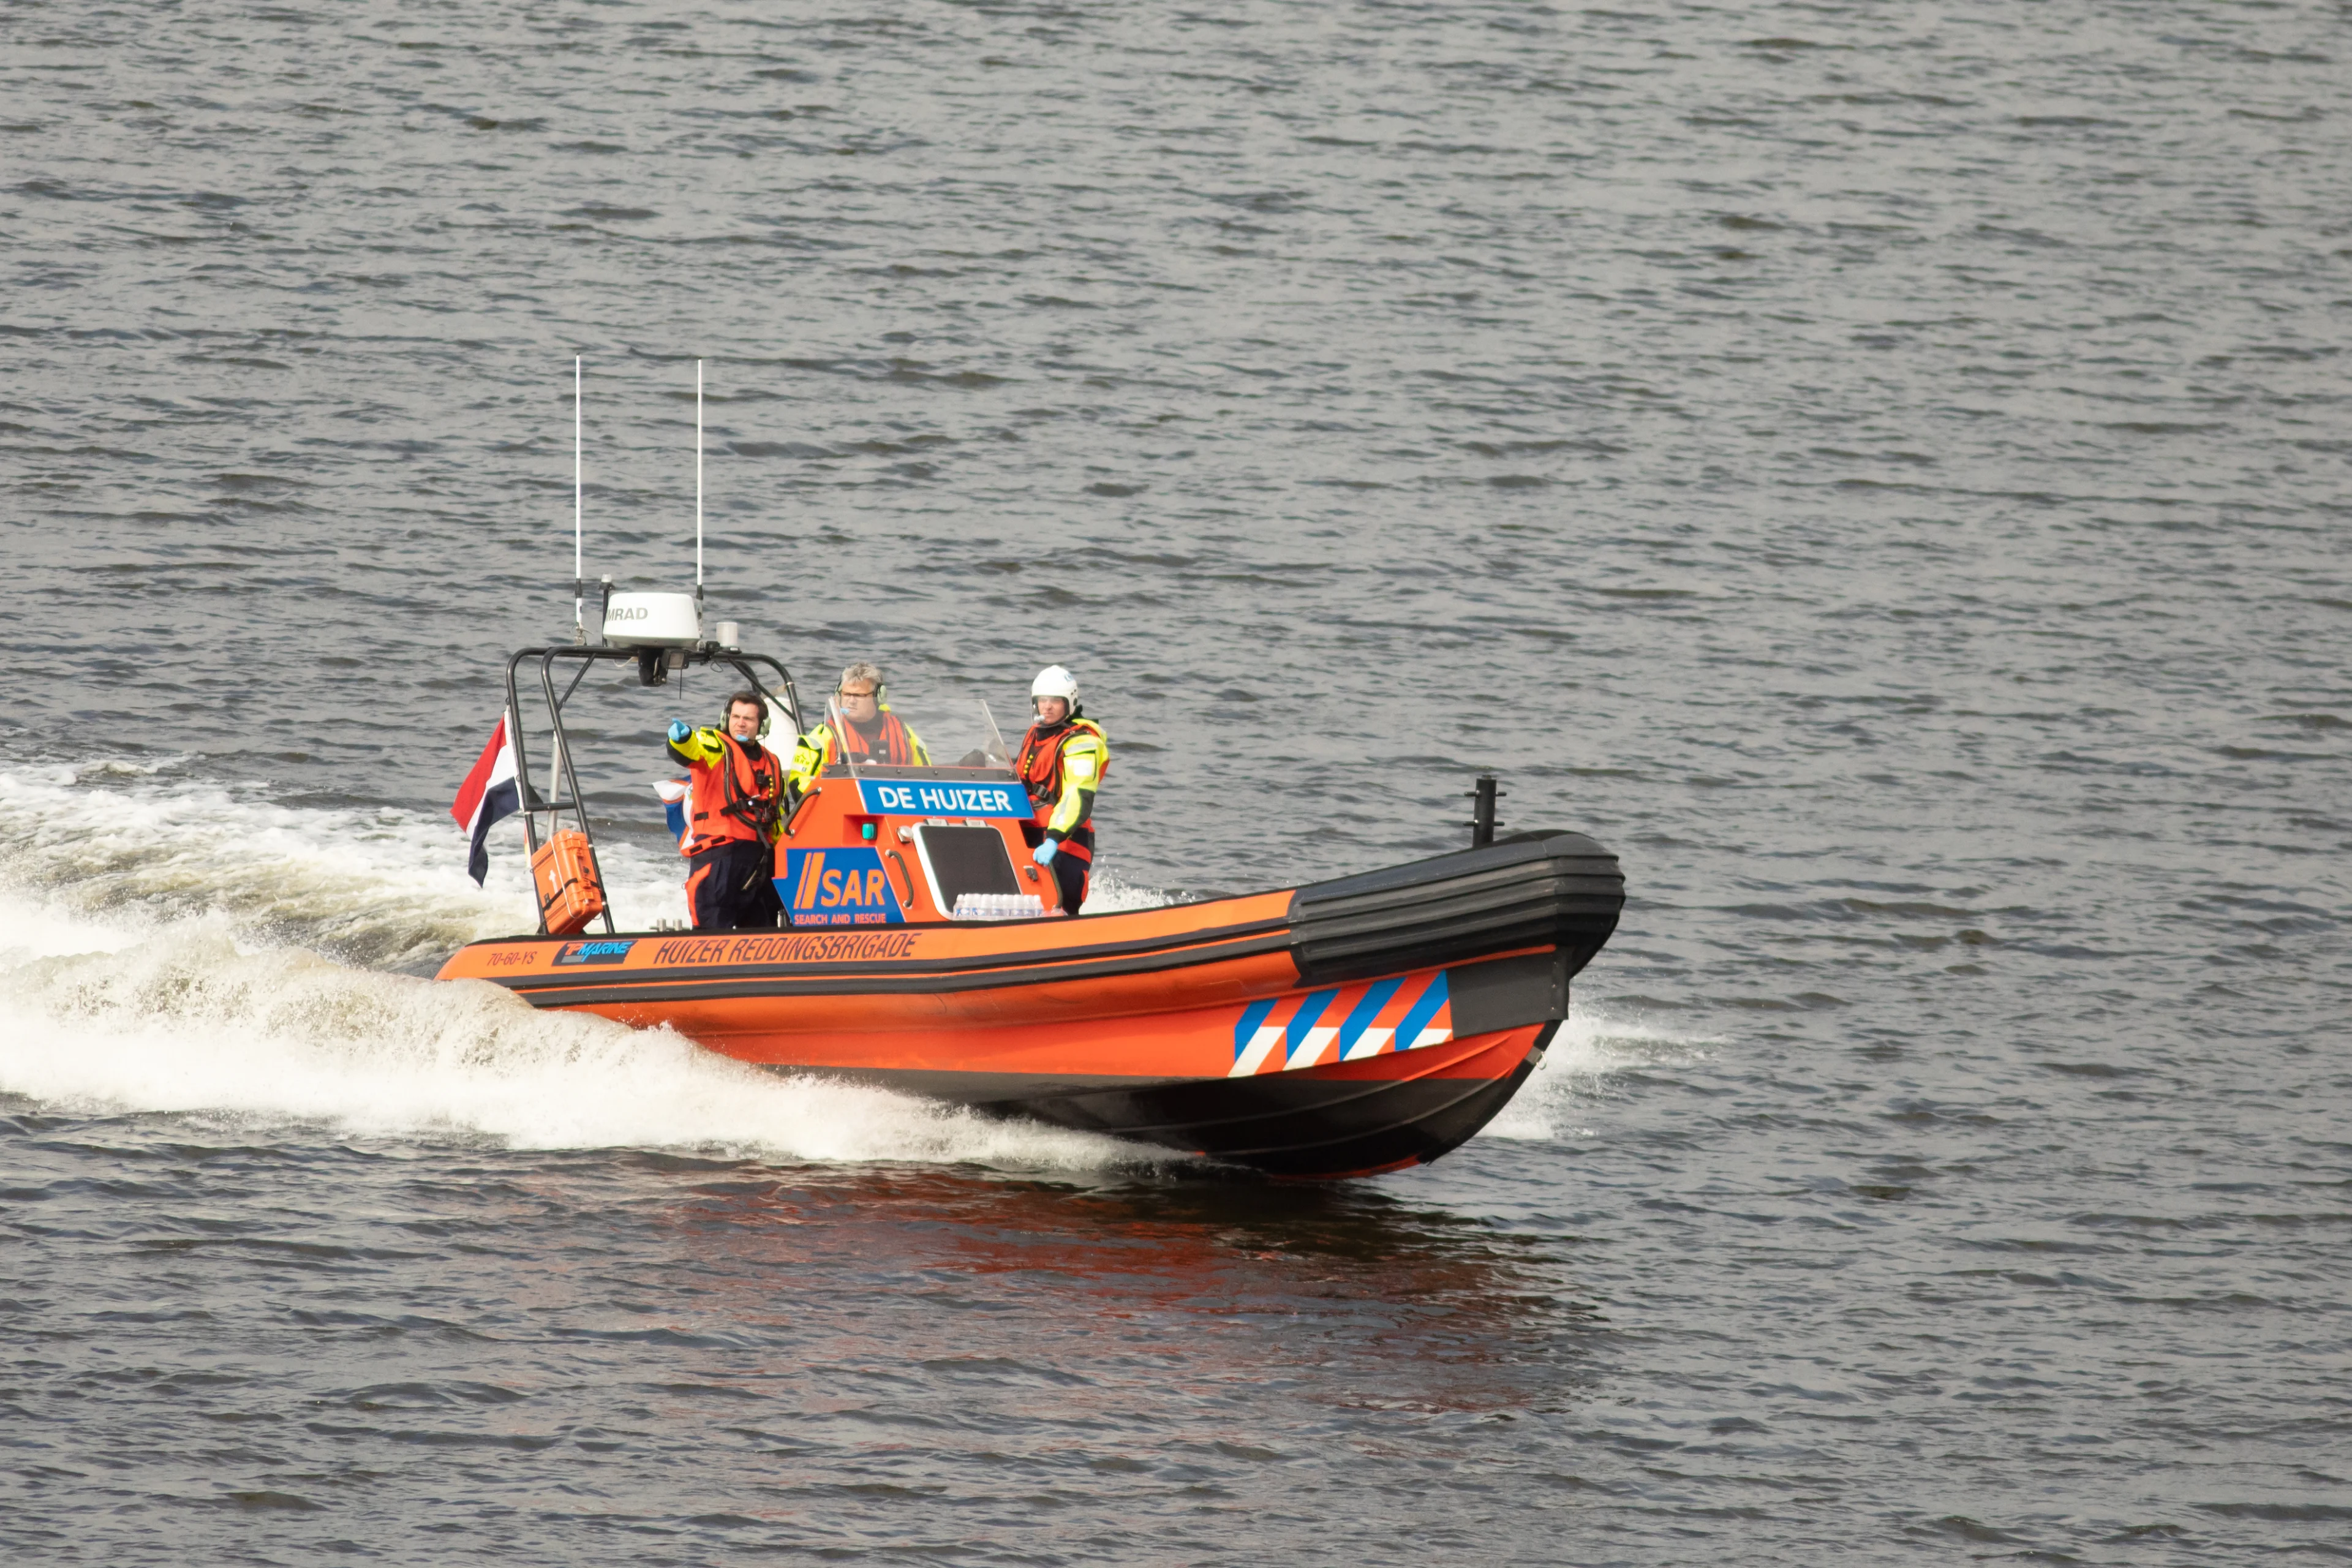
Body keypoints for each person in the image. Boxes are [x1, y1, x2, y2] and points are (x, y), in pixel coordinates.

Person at [667, 689, 785, 931]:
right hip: (719, 857)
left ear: (762, 726)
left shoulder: (772, 761)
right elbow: (692, 750)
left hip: (760, 860)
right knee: (711, 929)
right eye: (735, 717)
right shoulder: (715, 747)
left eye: (748, 719)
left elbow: (776, 815)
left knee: (763, 931)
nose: (740, 723)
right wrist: (680, 739)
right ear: (726, 719)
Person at [1014, 665, 1109, 914]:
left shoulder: (1082, 743)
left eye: (1055, 701)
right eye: (1042, 700)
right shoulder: (1035, 733)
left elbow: (1077, 795)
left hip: (1064, 843)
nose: (1047, 707)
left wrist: (1054, 839)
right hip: (1029, 834)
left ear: (1070, 704)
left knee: (1059, 908)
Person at [786, 662, 930, 792]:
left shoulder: (904, 733)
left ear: (879, 697)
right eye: (847, 695)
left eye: (859, 696)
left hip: (897, 811)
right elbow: (799, 784)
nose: (851, 701)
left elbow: (929, 777)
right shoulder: (823, 736)